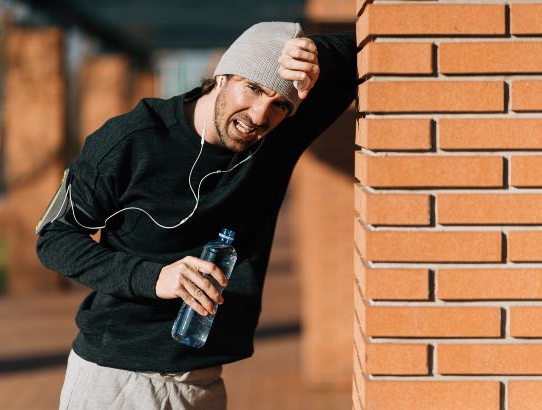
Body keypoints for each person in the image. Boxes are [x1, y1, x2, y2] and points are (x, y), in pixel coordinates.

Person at [36, 21, 356, 409]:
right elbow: (54, 238)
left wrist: (315, 54)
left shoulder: (275, 138)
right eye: (252, 88)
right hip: (117, 377)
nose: (258, 115)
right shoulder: (131, 140)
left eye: (278, 104)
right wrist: (155, 277)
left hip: (201, 379)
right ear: (222, 75)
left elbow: (371, 40)